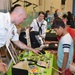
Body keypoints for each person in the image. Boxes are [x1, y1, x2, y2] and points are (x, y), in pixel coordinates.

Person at [0, 6, 40, 73]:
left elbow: (18, 43)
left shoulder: (13, 28)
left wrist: (32, 49)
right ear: (19, 15)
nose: (23, 21)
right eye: (23, 19)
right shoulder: (1, 18)